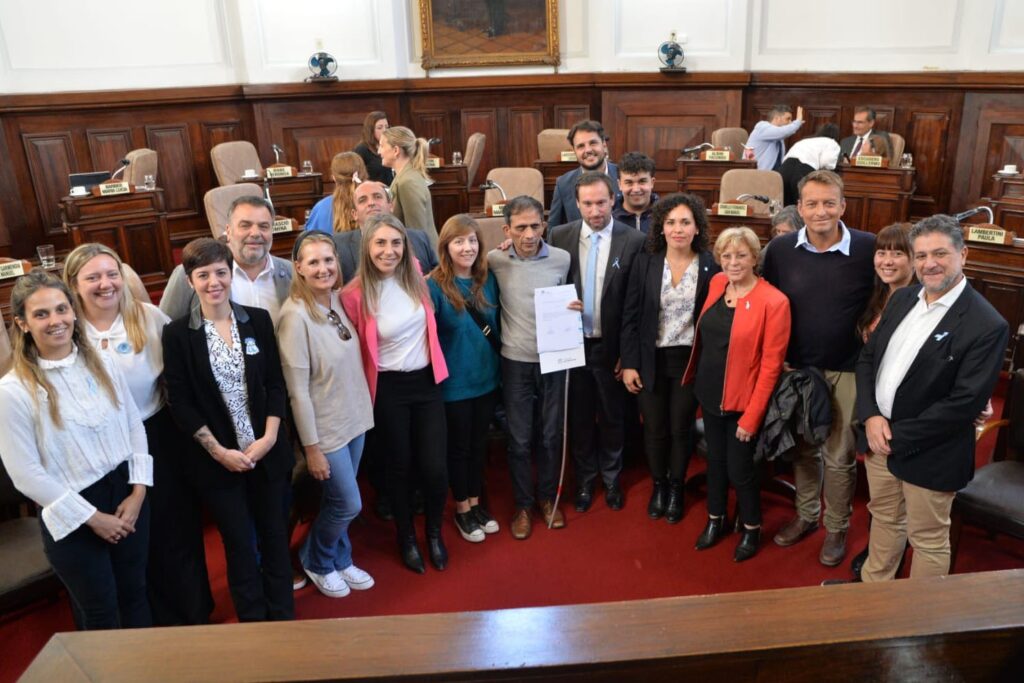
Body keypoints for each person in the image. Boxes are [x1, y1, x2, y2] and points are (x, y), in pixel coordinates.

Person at [63, 243, 210, 626]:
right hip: (98, 446)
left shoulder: (148, 316)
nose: (105, 284)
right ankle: (133, 625)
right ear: (74, 284)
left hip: (156, 434)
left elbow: (179, 377)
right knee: (121, 535)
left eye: (111, 274)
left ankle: (187, 617)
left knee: (171, 531)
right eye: (93, 277)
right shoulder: (67, 329)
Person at [856, 215, 1008, 581]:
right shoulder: (902, 298)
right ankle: (874, 596)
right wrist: (871, 416)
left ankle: (918, 614)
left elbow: (964, 404)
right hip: (879, 439)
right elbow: (867, 360)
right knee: (885, 520)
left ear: (963, 254)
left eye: (940, 253)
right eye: (921, 255)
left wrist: (895, 437)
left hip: (931, 452)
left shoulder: (987, 324)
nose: (929, 264)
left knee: (927, 540)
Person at [0, 271, 152, 629]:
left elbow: (133, 422)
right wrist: (94, 519)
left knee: (136, 594)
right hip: (71, 510)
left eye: (61, 309)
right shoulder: (12, 391)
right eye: (41, 314)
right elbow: (26, 475)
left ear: (73, 311)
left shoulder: (102, 361)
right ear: (22, 323)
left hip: (126, 495)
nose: (56, 320)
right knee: (101, 614)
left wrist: (139, 492)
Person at [162, 238, 294, 621]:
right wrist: (219, 452)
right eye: (203, 275)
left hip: (266, 452)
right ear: (190, 281)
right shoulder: (177, 334)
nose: (214, 282)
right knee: (239, 544)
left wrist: (269, 438)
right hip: (217, 462)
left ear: (230, 274)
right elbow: (180, 402)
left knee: (275, 537)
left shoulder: (258, 320)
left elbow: (275, 384)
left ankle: (283, 616)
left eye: (220, 272)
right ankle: (253, 621)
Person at [761, 170, 875, 567]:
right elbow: (769, 302)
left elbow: (887, 293)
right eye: (811, 203)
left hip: (847, 368)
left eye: (829, 203)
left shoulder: (868, 247)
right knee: (804, 449)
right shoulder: (780, 250)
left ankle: (837, 526)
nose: (820, 211)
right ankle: (807, 515)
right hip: (798, 368)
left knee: (839, 455)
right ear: (800, 207)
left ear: (843, 206)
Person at [341, 214, 450, 573]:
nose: (389, 251)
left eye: (396, 243)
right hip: (388, 389)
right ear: (367, 248)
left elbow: (453, 266)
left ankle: (433, 533)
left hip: (427, 383)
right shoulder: (353, 295)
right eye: (380, 243)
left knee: (435, 468)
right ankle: (406, 538)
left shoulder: (415, 275)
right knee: (398, 468)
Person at [277, 232, 375, 598]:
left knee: (338, 502)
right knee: (349, 503)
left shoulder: (337, 299)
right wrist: (312, 449)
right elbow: (297, 392)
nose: (323, 268)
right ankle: (316, 558)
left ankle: (340, 558)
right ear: (298, 267)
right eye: (314, 262)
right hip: (326, 430)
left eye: (328, 260)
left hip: (355, 418)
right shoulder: (294, 316)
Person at [683, 228, 790, 562]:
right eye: (726, 256)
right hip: (709, 392)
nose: (733, 262)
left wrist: (752, 417)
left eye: (741, 255)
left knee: (740, 469)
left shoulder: (774, 302)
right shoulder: (718, 283)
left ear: (755, 257)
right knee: (714, 463)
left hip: (743, 403)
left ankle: (751, 527)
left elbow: (771, 367)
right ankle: (716, 519)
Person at [550, 172, 645, 512]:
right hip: (572, 345)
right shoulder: (559, 236)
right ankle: (585, 480)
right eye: (587, 203)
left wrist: (627, 355)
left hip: (611, 346)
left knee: (612, 416)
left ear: (613, 200)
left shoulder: (633, 240)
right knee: (579, 418)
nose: (595, 210)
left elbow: (636, 306)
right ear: (576, 204)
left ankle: (612, 478)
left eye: (601, 202)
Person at [621, 194, 719, 523]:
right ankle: (659, 485)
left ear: (697, 228)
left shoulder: (710, 265)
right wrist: (629, 363)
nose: (678, 229)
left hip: (690, 361)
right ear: (661, 227)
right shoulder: (646, 262)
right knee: (654, 428)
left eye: (685, 222)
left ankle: (677, 486)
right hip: (650, 358)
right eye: (671, 222)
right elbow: (630, 316)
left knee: (681, 428)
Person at [487, 195, 572, 539]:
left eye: (535, 226)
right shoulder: (495, 260)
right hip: (515, 360)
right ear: (506, 230)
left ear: (544, 226)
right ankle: (523, 505)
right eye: (520, 227)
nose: (529, 234)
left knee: (551, 435)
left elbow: (571, 298)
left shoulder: (562, 259)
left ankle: (547, 498)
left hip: (555, 359)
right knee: (519, 439)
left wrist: (575, 307)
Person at [428, 214, 502, 542]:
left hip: (487, 378)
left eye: (472, 240)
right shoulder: (433, 285)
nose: (467, 247)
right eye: (459, 241)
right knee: (458, 448)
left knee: (478, 444)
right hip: (454, 384)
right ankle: (461, 508)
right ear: (446, 246)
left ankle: (475, 502)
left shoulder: (488, 278)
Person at [160, 196, 292, 325]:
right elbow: (165, 327)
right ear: (228, 231)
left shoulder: (291, 272)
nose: (255, 233)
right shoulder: (191, 272)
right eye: (245, 225)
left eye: (263, 226)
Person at [332, 180, 438, 284]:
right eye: (363, 200)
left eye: (377, 197)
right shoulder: (339, 245)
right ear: (354, 214)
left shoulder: (419, 239)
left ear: (391, 206)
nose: (371, 203)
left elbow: (438, 276)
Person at [548, 120, 619, 227]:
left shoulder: (623, 176)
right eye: (581, 146)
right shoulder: (563, 184)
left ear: (604, 144)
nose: (588, 150)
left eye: (593, 143)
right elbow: (554, 228)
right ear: (574, 151)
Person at [380, 126, 438, 249]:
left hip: (421, 257)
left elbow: (416, 233)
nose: (379, 151)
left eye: (382, 146)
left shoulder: (408, 182)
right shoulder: (404, 177)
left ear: (396, 150)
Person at [305, 152, 369, 234]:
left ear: (334, 178)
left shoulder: (320, 208)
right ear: (364, 174)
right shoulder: (375, 203)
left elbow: (310, 238)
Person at [779, 123, 841, 206]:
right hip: (803, 171)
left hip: (784, 169)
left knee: (784, 205)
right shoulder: (832, 142)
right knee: (804, 205)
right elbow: (827, 162)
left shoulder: (805, 140)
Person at [745, 104, 804, 171]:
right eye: (788, 119)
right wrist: (797, 123)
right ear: (777, 118)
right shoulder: (762, 127)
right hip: (756, 173)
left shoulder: (778, 135)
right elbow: (783, 132)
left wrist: (796, 124)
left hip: (772, 174)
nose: (790, 122)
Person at [612, 151, 658, 233]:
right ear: (619, 185)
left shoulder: (666, 215)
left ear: (652, 183)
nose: (636, 189)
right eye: (629, 182)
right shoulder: (609, 218)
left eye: (642, 181)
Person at [353, 111, 394, 184]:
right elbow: (355, 177)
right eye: (379, 128)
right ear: (371, 130)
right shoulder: (362, 149)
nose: (385, 131)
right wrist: (372, 185)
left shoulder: (391, 146)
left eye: (387, 127)